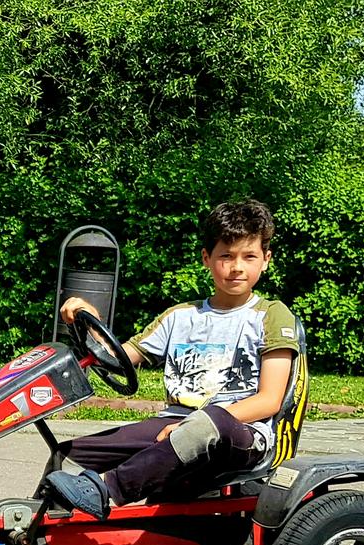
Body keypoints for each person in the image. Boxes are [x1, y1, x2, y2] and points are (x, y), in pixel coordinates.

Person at [45, 198, 301, 518]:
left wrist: (192, 423)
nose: (237, 266)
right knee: (69, 454)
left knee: (209, 421)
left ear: (266, 260)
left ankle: (108, 490)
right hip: (174, 423)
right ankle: (37, 527)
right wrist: (89, 316)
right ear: (207, 258)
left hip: (240, 433)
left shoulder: (271, 315)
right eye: (226, 256)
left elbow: (270, 400)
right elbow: (117, 358)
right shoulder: (180, 317)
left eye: (249, 256)